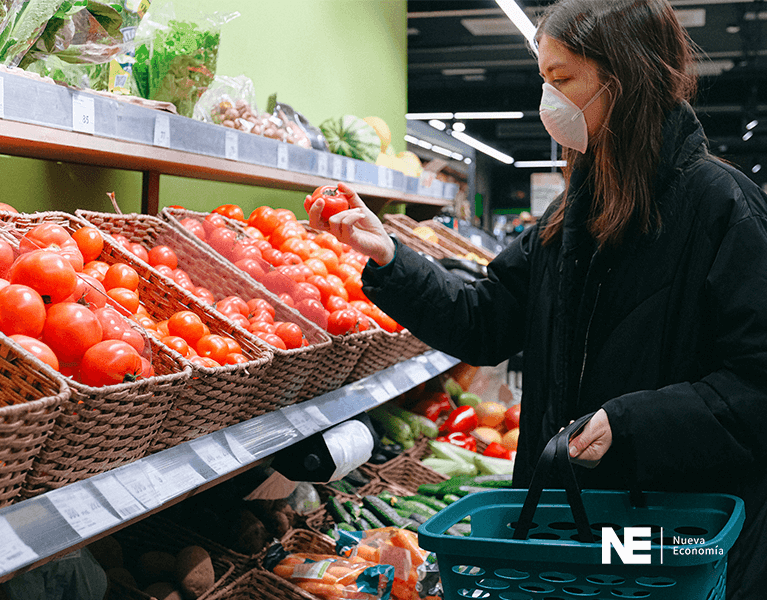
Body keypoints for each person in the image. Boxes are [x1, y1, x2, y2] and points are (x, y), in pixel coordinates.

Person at [307, 0, 767, 596]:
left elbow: (757, 384)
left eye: (562, 79)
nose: (547, 99)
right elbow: (485, 322)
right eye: (543, 78)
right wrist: (390, 258)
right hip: (573, 524)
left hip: (677, 535)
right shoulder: (572, 214)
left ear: (624, 80)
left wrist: (630, 423)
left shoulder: (724, 208)